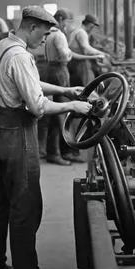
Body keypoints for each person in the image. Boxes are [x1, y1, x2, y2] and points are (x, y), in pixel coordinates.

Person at [0, 5, 92, 269]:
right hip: (16, 135)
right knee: (25, 205)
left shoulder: (0, 48)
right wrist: (72, 105)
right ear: (32, 27)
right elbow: (37, 106)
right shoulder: (22, 56)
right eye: (45, 33)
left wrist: (65, 89)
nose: (45, 40)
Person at [39, 9, 103, 166]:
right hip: (60, 70)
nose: (67, 26)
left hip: (51, 69)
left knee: (57, 113)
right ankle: (60, 152)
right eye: (66, 22)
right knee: (62, 113)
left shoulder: (49, 34)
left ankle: (53, 150)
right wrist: (69, 54)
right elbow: (65, 54)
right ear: (60, 19)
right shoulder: (59, 35)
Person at [68, 14, 107, 88]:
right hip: (78, 64)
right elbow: (86, 48)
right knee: (83, 87)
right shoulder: (82, 33)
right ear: (90, 25)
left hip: (73, 62)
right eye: (93, 27)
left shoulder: (76, 31)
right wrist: (101, 53)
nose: (92, 29)